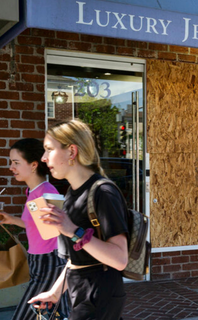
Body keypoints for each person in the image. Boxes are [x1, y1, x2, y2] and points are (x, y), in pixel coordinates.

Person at [28, 119, 129, 320]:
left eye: (49, 149)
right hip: (82, 291)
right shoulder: (72, 194)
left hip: (100, 293)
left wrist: (72, 230)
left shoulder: (103, 192)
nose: (43, 158)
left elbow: (120, 259)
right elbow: (78, 257)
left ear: (72, 152)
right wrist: (55, 293)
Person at [0, 138, 70, 320]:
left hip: (49, 262)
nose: (11, 167)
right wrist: (11, 220)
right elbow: (37, 226)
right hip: (38, 261)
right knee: (56, 315)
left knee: (25, 315)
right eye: (11, 162)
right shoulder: (32, 191)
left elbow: (58, 232)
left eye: (16, 162)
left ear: (33, 165)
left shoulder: (46, 193)